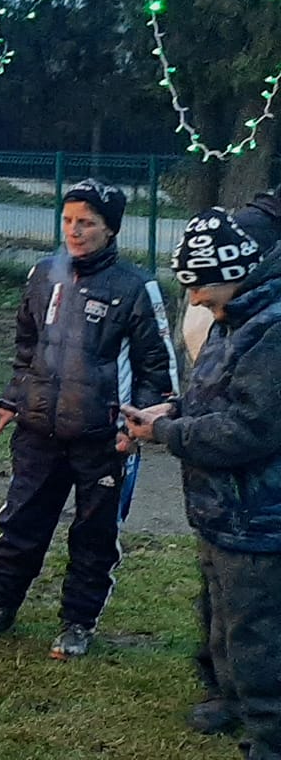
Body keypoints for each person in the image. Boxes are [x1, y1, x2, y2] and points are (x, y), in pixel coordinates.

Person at [0, 180, 177, 659]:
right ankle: (0, 607)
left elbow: (157, 368)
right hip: (38, 431)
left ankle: (78, 623)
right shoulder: (43, 274)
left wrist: (136, 427)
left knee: (94, 534)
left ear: (110, 229)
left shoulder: (135, 286)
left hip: (103, 440)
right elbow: (27, 348)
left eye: (87, 223)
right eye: (68, 221)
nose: (75, 231)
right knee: (21, 522)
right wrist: (10, 402)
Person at [125, 209, 281, 760]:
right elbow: (211, 397)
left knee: (257, 630)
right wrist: (170, 411)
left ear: (233, 273)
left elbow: (251, 428)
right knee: (221, 616)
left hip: (260, 515)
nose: (192, 299)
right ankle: (230, 699)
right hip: (223, 509)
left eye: (199, 286)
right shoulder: (232, 318)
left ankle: (270, 735)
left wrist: (166, 432)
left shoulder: (271, 331)